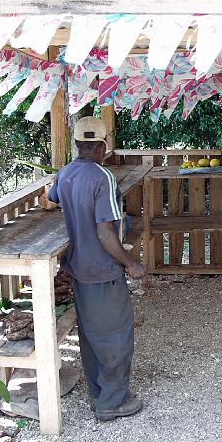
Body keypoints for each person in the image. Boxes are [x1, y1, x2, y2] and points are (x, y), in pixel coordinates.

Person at [48, 116, 146, 421]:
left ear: (78, 145)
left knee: (91, 335)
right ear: (103, 145)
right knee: (116, 336)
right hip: (103, 270)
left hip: (78, 269)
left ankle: (98, 393)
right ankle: (112, 402)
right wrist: (130, 264)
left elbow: (49, 199)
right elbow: (105, 232)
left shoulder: (65, 174)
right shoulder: (103, 178)